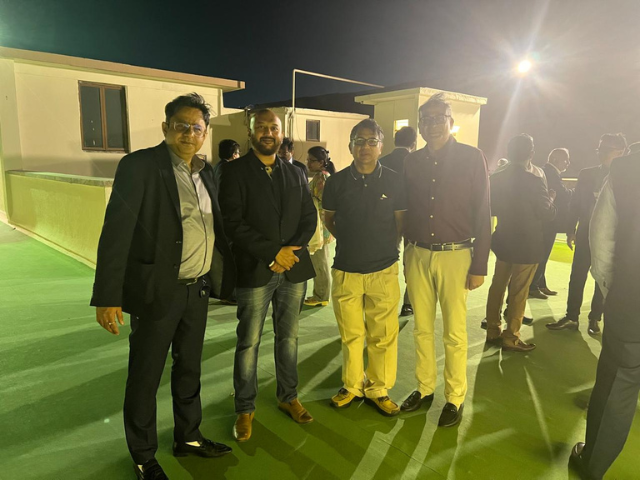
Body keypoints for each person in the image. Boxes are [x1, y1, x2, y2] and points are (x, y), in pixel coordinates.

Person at [90, 93, 235, 480]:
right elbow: (116, 233)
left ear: (205, 133)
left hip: (197, 291)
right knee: (146, 375)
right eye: (181, 125)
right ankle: (143, 455)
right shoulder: (140, 166)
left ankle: (188, 436)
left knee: (189, 370)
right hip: (158, 291)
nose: (189, 133)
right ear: (166, 128)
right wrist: (108, 296)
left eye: (196, 127)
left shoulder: (206, 172)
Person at [219, 109, 317, 442]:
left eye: (273, 127)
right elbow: (232, 223)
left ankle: (288, 396)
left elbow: (309, 217)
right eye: (260, 127)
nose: (267, 133)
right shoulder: (234, 172)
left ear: (281, 133)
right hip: (255, 269)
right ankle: (244, 408)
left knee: (288, 338)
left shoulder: (296, 172)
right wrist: (273, 253)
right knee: (248, 342)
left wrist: (289, 253)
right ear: (250, 133)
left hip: (293, 270)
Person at [401, 93, 491, 427]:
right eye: (426, 120)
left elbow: (483, 212)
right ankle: (424, 388)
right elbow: (406, 210)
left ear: (451, 122)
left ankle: (454, 397)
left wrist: (479, 265)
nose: (433, 125)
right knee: (421, 328)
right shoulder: (412, 162)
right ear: (420, 126)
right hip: (417, 254)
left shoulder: (472, 157)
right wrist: (406, 255)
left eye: (440, 118)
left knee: (454, 331)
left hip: (456, 255)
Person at [323, 119, 406, 416]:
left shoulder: (395, 180)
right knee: (351, 334)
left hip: (383, 268)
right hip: (346, 268)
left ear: (381, 146)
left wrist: (382, 246)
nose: (365, 147)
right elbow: (329, 219)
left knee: (383, 335)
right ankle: (352, 385)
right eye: (359, 141)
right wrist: (351, 241)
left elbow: (400, 223)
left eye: (372, 141)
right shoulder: (335, 182)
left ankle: (378, 388)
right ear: (350, 146)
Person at [570, 149, 640, 480]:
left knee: (616, 388)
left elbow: (601, 238)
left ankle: (593, 464)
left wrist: (615, 292)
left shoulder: (626, 169)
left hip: (632, 305)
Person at [546, 133, 627, 334]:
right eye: (600, 149)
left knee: (603, 277)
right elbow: (575, 204)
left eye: (606, 150)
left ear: (621, 152)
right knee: (577, 275)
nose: (601, 153)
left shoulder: (626, 178)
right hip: (585, 233)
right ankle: (572, 316)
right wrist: (570, 230)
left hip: (611, 237)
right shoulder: (587, 174)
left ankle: (595, 318)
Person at [485, 134, 556, 352]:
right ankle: (511, 337)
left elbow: (491, 207)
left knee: (497, 285)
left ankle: (492, 330)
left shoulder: (496, 178)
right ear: (531, 154)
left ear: (508, 152)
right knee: (519, 292)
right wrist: (551, 199)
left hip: (504, 238)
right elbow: (546, 213)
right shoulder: (534, 180)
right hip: (528, 243)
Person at [379, 126, 418, 317]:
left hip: (386, 218)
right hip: (413, 218)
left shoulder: (382, 162)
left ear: (395, 141)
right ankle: (408, 303)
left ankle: (385, 298)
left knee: (387, 259)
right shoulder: (417, 161)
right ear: (413, 143)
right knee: (411, 262)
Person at [528, 148, 573, 298]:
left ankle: (540, 284)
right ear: (555, 159)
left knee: (544, 254)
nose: (568, 163)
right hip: (548, 221)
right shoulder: (551, 173)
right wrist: (575, 192)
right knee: (543, 254)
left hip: (547, 220)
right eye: (565, 159)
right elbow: (562, 194)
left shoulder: (546, 171)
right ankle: (534, 286)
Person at [304, 146, 335, 307]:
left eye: (312, 160)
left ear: (321, 162)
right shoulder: (320, 176)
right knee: (320, 260)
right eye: (308, 160)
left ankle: (321, 295)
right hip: (321, 225)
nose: (308, 163)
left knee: (320, 262)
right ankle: (320, 293)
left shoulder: (322, 178)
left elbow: (323, 201)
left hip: (320, 226)